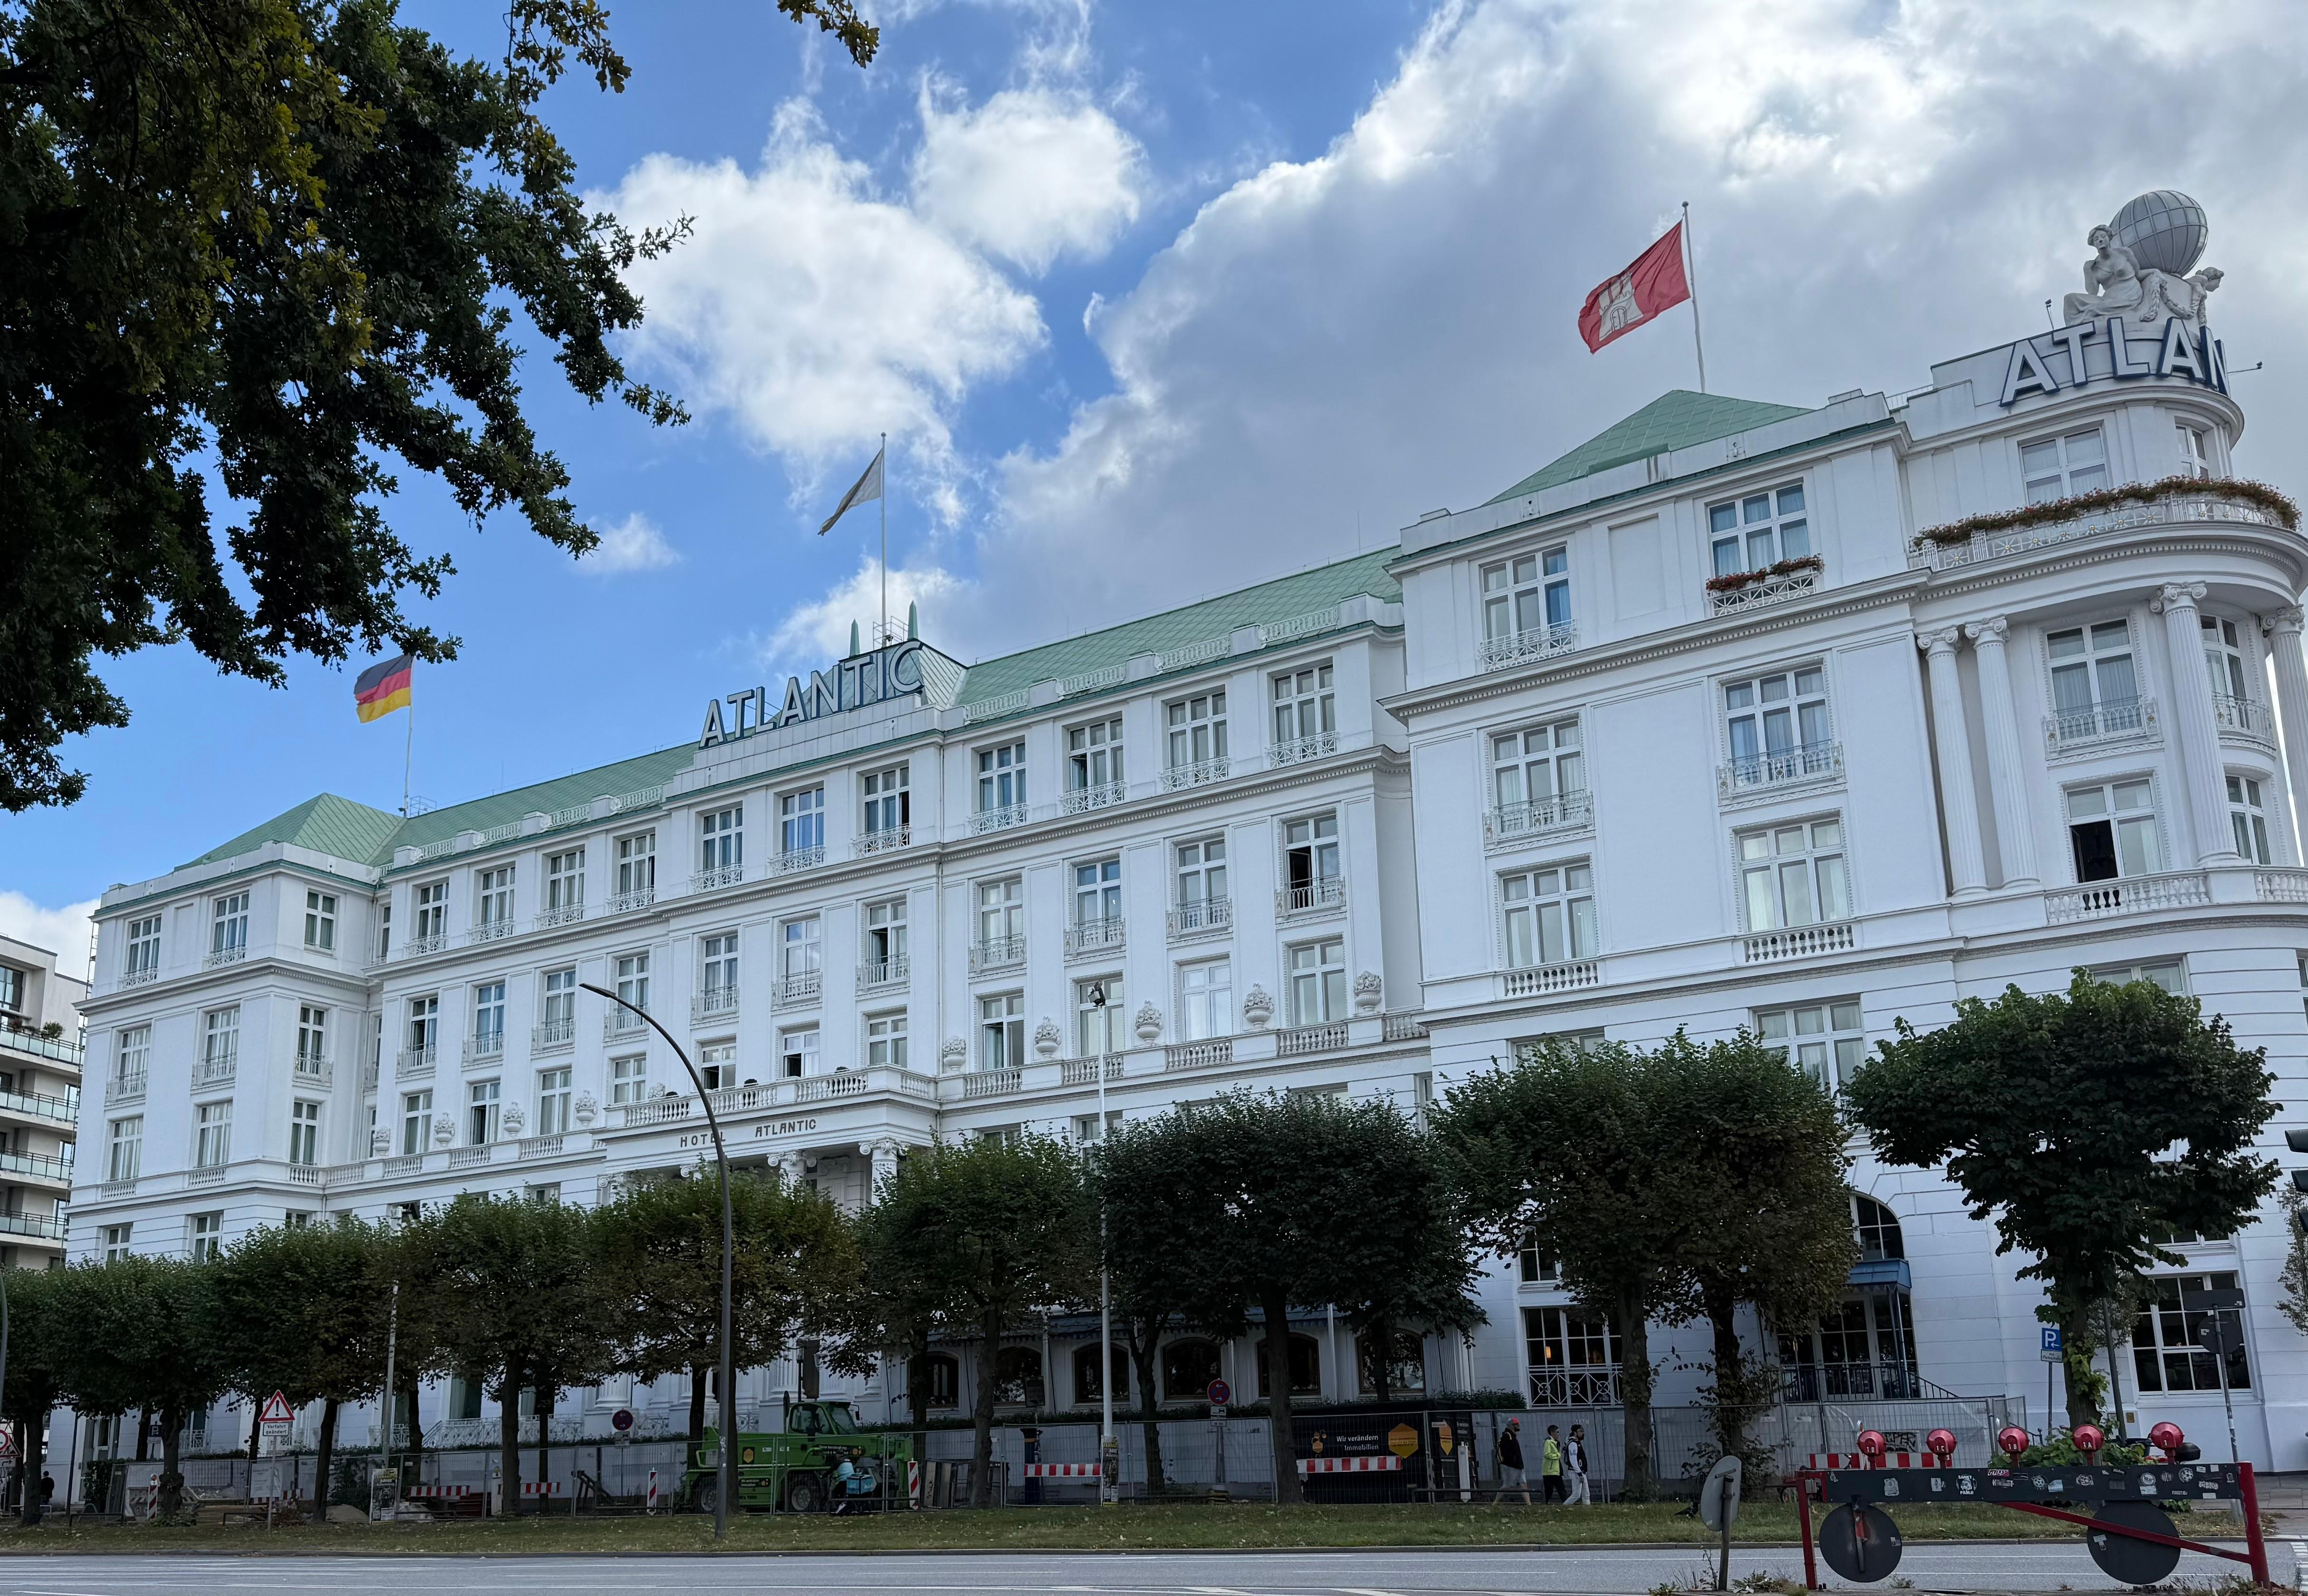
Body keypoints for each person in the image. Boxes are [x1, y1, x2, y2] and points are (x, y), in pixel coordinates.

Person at [1490, 1418, 1531, 1505]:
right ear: (1511, 1426)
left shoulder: (1513, 1436)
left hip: (1518, 1466)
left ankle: (1529, 1504)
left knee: (1523, 1484)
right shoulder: (1507, 1436)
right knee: (1507, 1486)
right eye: (1516, 1424)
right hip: (1512, 1466)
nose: (1518, 1426)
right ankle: (1495, 1502)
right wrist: (1512, 1462)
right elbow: (1507, 1452)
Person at [1564, 1424, 1591, 1505]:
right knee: (1576, 1494)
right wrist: (1579, 1473)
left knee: (1586, 1494)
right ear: (1575, 1433)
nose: (1582, 1433)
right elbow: (1573, 1460)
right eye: (1580, 1431)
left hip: (1580, 1472)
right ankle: (1565, 1506)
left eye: (1583, 1431)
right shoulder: (1573, 1444)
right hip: (1576, 1472)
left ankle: (1588, 1509)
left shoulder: (1576, 1443)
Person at [1540, 1424, 1564, 1504]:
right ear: (1552, 1432)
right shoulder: (1548, 1442)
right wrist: (1558, 1456)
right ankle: (1546, 1503)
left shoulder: (1556, 1442)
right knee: (1549, 1489)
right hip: (1550, 1470)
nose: (1558, 1434)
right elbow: (1547, 1454)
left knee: (1561, 1488)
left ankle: (1566, 1502)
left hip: (1556, 1469)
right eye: (1557, 1432)